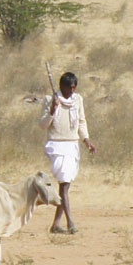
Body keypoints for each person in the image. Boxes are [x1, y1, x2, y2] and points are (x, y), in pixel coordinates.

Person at [41, 70, 93, 234]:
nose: (71, 91)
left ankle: (56, 224)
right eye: (69, 88)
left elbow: (81, 121)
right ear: (61, 87)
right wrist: (52, 110)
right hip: (56, 145)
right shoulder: (50, 99)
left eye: (74, 88)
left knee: (65, 185)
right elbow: (42, 125)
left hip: (72, 145)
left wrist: (86, 140)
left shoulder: (78, 100)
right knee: (63, 185)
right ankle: (71, 222)